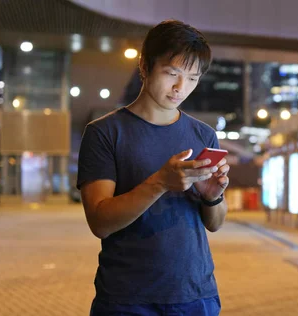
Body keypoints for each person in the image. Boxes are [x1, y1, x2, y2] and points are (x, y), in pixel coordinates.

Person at [77, 20, 229, 316]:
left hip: (196, 295)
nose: (180, 88)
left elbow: (215, 223)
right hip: (127, 298)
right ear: (144, 66)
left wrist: (213, 196)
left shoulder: (203, 136)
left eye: (192, 79)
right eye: (172, 73)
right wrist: (160, 182)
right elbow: (100, 222)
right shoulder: (105, 133)